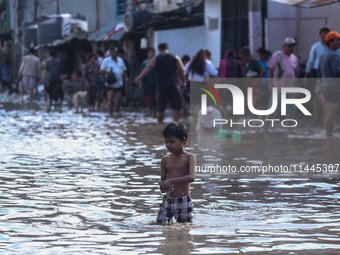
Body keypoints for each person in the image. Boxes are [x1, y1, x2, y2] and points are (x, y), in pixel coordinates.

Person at [135, 42, 185, 123]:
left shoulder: (157, 58)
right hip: (173, 85)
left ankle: (159, 125)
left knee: (160, 109)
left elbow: (149, 67)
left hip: (161, 86)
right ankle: (176, 125)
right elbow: (182, 70)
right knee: (175, 107)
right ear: (168, 49)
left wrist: (139, 76)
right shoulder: (175, 57)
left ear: (159, 50)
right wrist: (183, 83)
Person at [157, 122, 196, 224]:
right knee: (160, 225)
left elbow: (192, 177)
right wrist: (163, 186)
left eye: (172, 141)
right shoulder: (165, 160)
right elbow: (162, 180)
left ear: (183, 140)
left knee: (185, 228)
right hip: (168, 201)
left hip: (183, 201)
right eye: (166, 142)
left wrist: (171, 181)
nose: (168, 145)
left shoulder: (189, 157)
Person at [265, 37, 300, 130]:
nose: (291, 48)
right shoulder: (277, 55)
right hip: (278, 88)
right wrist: (270, 84)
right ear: (283, 47)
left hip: (290, 90)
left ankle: (289, 130)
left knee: (291, 110)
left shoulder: (294, 58)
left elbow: (296, 73)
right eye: (289, 46)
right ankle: (265, 128)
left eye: (293, 46)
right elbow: (270, 69)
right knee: (271, 109)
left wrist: (297, 87)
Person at [305, 27, 330, 125]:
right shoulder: (315, 46)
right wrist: (306, 74)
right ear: (320, 35)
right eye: (323, 33)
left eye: (326, 33)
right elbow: (311, 61)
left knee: (327, 94)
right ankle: (316, 117)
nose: (324, 35)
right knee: (316, 94)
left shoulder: (333, 46)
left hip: (328, 72)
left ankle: (327, 116)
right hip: (316, 72)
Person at [185, 49, 218, 120]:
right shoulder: (207, 62)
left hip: (192, 84)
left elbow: (185, 70)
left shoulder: (192, 61)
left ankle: (196, 121)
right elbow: (215, 73)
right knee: (202, 104)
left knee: (196, 105)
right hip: (202, 84)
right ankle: (200, 122)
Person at [318, 31, 340, 137]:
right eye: (337, 40)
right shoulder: (333, 54)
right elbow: (337, 71)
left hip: (325, 86)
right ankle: (329, 138)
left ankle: (329, 136)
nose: (339, 42)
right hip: (333, 87)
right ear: (330, 42)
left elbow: (319, 71)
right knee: (330, 114)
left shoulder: (323, 54)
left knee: (328, 113)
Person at [100, 46, 127, 116]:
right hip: (110, 83)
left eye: (115, 52)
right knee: (110, 97)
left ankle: (116, 112)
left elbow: (124, 70)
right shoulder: (106, 61)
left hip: (119, 82)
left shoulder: (120, 60)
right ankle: (110, 113)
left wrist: (126, 78)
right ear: (110, 52)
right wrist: (108, 73)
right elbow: (101, 71)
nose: (114, 53)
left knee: (118, 100)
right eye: (113, 52)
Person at [240, 47, 265, 116]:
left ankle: (254, 116)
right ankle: (251, 117)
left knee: (254, 101)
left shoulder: (255, 61)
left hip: (255, 84)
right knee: (248, 102)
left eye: (243, 57)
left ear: (247, 56)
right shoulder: (245, 64)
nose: (242, 59)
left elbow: (263, 71)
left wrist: (257, 81)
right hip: (248, 84)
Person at [139, 47, 157, 116]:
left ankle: (155, 113)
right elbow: (141, 74)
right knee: (149, 100)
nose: (152, 54)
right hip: (147, 83)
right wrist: (140, 83)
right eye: (151, 52)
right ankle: (151, 113)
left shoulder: (156, 62)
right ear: (148, 54)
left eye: (153, 52)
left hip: (156, 83)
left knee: (156, 100)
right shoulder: (144, 63)